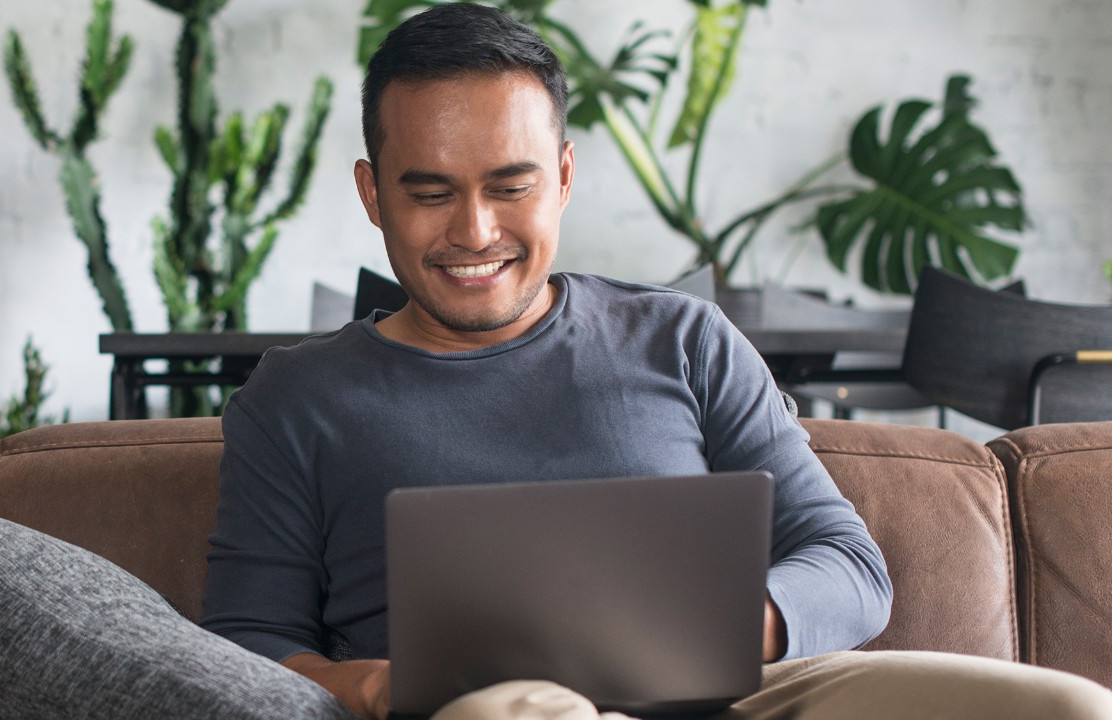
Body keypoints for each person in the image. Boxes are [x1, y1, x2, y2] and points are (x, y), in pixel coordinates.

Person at [201, 4, 1112, 719]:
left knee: (1068, 706)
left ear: (561, 176)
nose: (474, 232)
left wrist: (707, 629)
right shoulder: (297, 399)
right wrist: (377, 688)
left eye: (510, 187)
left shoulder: (683, 339)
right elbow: (245, 648)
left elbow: (848, 567)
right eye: (430, 193)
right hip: (491, 709)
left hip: (743, 691)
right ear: (372, 193)